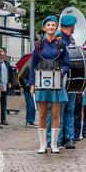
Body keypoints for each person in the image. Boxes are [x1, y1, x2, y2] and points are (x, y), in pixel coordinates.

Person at [29, 16, 69, 154]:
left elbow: (66, 63)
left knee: (55, 114)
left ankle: (54, 144)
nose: (51, 28)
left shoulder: (61, 44)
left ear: (56, 27)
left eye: (53, 25)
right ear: (44, 28)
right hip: (41, 81)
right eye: (48, 25)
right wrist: (32, 83)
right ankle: (42, 145)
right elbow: (33, 65)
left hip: (56, 82)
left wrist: (62, 72)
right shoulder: (39, 44)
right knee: (42, 115)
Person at [52, 14, 77, 150]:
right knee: (60, 110)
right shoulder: (58, 37)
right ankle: (59, 139)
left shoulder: (71, 39)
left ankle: (69, 138)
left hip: (71, 79)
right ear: (70, 26)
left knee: (69, 110)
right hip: (61, 78)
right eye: (73, 26)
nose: (74, 28)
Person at [16, 53, 37, 127]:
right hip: (28, 89)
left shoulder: (36, 68)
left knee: (34, 106)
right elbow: (23, 77)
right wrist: (28, 85)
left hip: (35, 89)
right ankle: (29, 121)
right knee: (30, 105)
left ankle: (31, 121)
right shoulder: (29, 68)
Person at [0, 49, 13, 125]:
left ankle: (3, 119)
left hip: (5, 86)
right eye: (0, 55)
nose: (2, 57)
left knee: (3, 104)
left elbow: (11, 74)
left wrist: (10, 82)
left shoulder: (7, 63)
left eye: (3, 55)